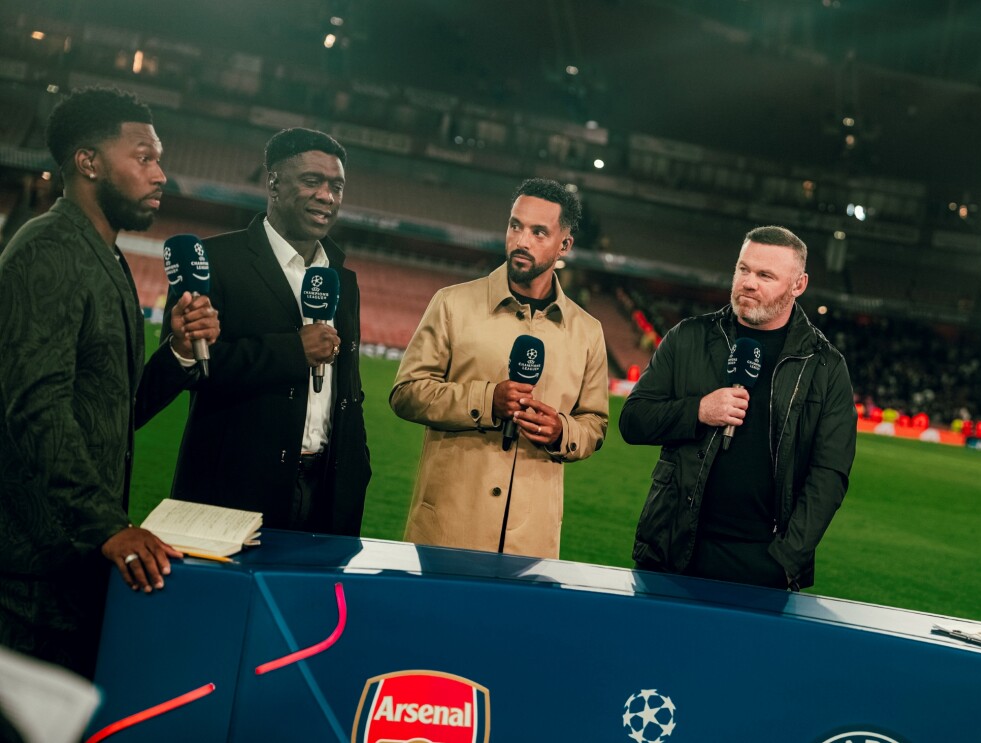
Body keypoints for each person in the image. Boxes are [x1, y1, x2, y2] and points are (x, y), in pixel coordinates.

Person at [0, 87, 219, 678]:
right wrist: (110, 527)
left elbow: (110, 413)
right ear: (88, 163)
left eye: (160, 158)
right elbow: (35, 409)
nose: (160, 174)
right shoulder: (47, 248)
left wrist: (175, 353)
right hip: (26, 577)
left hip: (71, 565)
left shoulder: (109, 258)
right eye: (144, 157)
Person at [619, 226, 856, 590]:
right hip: (672, 548)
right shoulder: (688, 338)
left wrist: (785, 560)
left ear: (798, 285)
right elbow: (633, 421)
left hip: (764, 562)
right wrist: (698, 410)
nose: (748, 282)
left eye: (765, 275)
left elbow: (830, 474)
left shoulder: (824, 366)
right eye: (743, 270)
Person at [161, 128, 371, 536]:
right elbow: (192, 367)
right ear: (274, 182)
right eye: (313, 181)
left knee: (308, 602)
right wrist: (293, 351)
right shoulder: (216, 262)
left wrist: (356, 466)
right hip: (235, 486)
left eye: (337, 186)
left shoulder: (343, 279)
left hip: (326, 490)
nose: (327, 196)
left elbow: (348, 391)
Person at [391, 178, 609, 558]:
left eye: (539, 232)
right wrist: (487, 400)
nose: (522, 240)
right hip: (446, 531)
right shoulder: (451, 304)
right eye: (515, 226)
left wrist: (562, 430)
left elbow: (594, 424)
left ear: (565, 246)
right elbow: (407, 393)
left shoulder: (589, 332)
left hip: (532, 543)